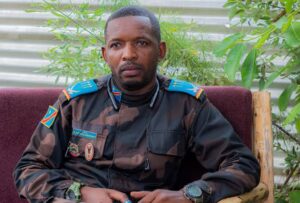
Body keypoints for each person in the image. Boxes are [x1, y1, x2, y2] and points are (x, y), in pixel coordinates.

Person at [14, 5, 260, 203]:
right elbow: (28, 170)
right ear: (105, 54)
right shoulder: (76, 103)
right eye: (116, 45)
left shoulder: (186, 105)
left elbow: (243, 165)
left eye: (141, 43)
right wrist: (79, 194)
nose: (128, 54)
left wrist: (189, 195)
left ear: (161, 50)